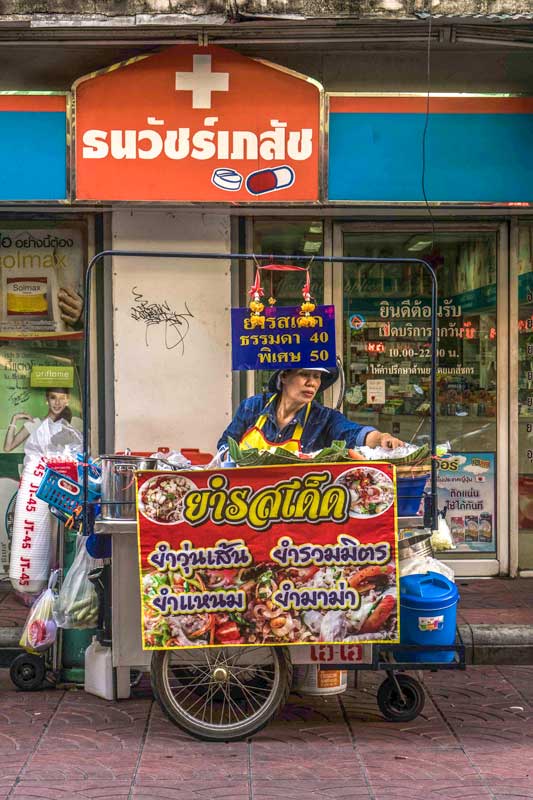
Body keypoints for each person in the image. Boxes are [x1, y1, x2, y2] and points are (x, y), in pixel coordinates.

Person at [217, 367, 404, 455]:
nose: (312, 383)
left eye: (317, 377)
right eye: (305, 374)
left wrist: (381, 438)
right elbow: (225, 444)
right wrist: (233, 459)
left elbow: (354, 433)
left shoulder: (324, 418)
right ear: (283, 376)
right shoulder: (252, 407)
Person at [4, 387, 74, 453]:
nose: (57, 402)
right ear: (47, 400)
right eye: (53, 397)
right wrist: (14, 419)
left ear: (67, 401)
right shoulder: (36, 423)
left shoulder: (71, 424)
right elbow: (8, 448)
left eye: (61, 398)